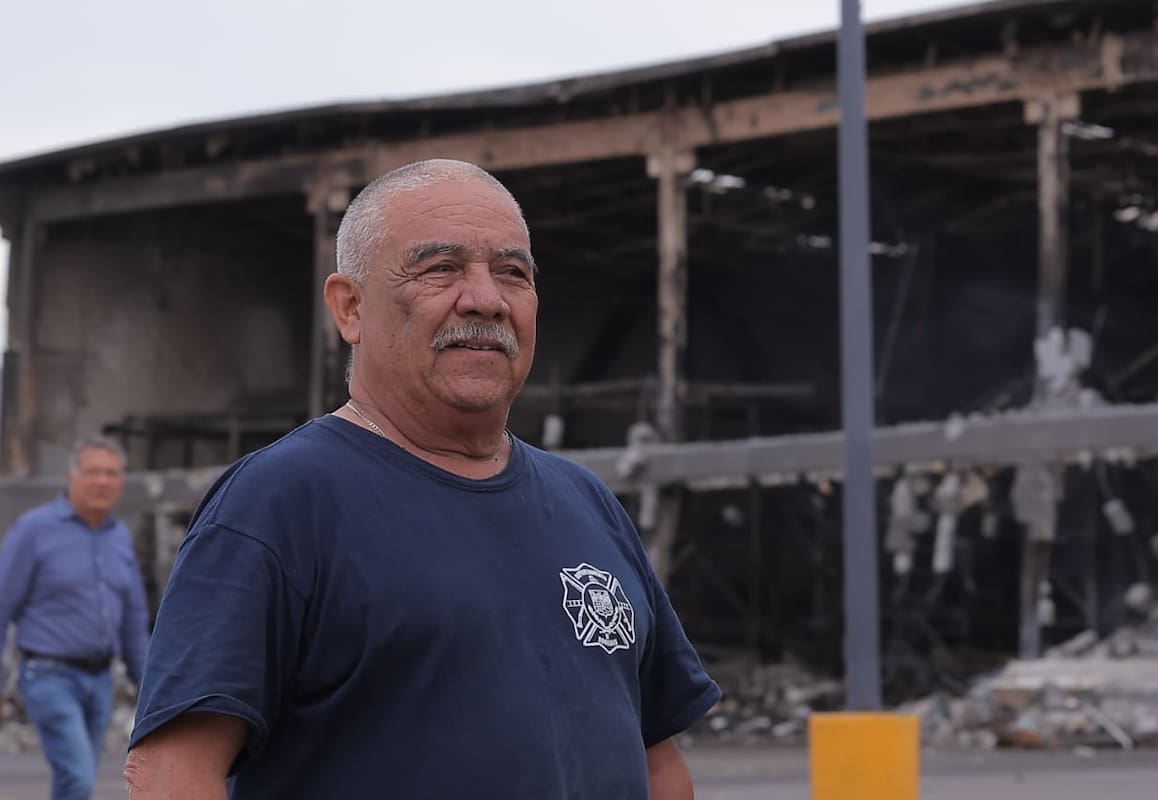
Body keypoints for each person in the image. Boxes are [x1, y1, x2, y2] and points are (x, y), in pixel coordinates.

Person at [124, 158, 720, 799]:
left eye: (512, 273)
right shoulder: (280, 503)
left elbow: (658, 764)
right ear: (349, 308)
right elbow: (171, 775)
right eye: (441, 269)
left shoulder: (587, 503)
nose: (486, 300)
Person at [0, 435, 149, 800]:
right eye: (93, 472)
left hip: (100, 682)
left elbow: (133, 622)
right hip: (48, 675)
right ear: (71, 476)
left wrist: (150, 688)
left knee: (78, 780)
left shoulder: (119, 538)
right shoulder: (34, 530)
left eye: (112, 474)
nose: (102, 481)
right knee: (77, 777)